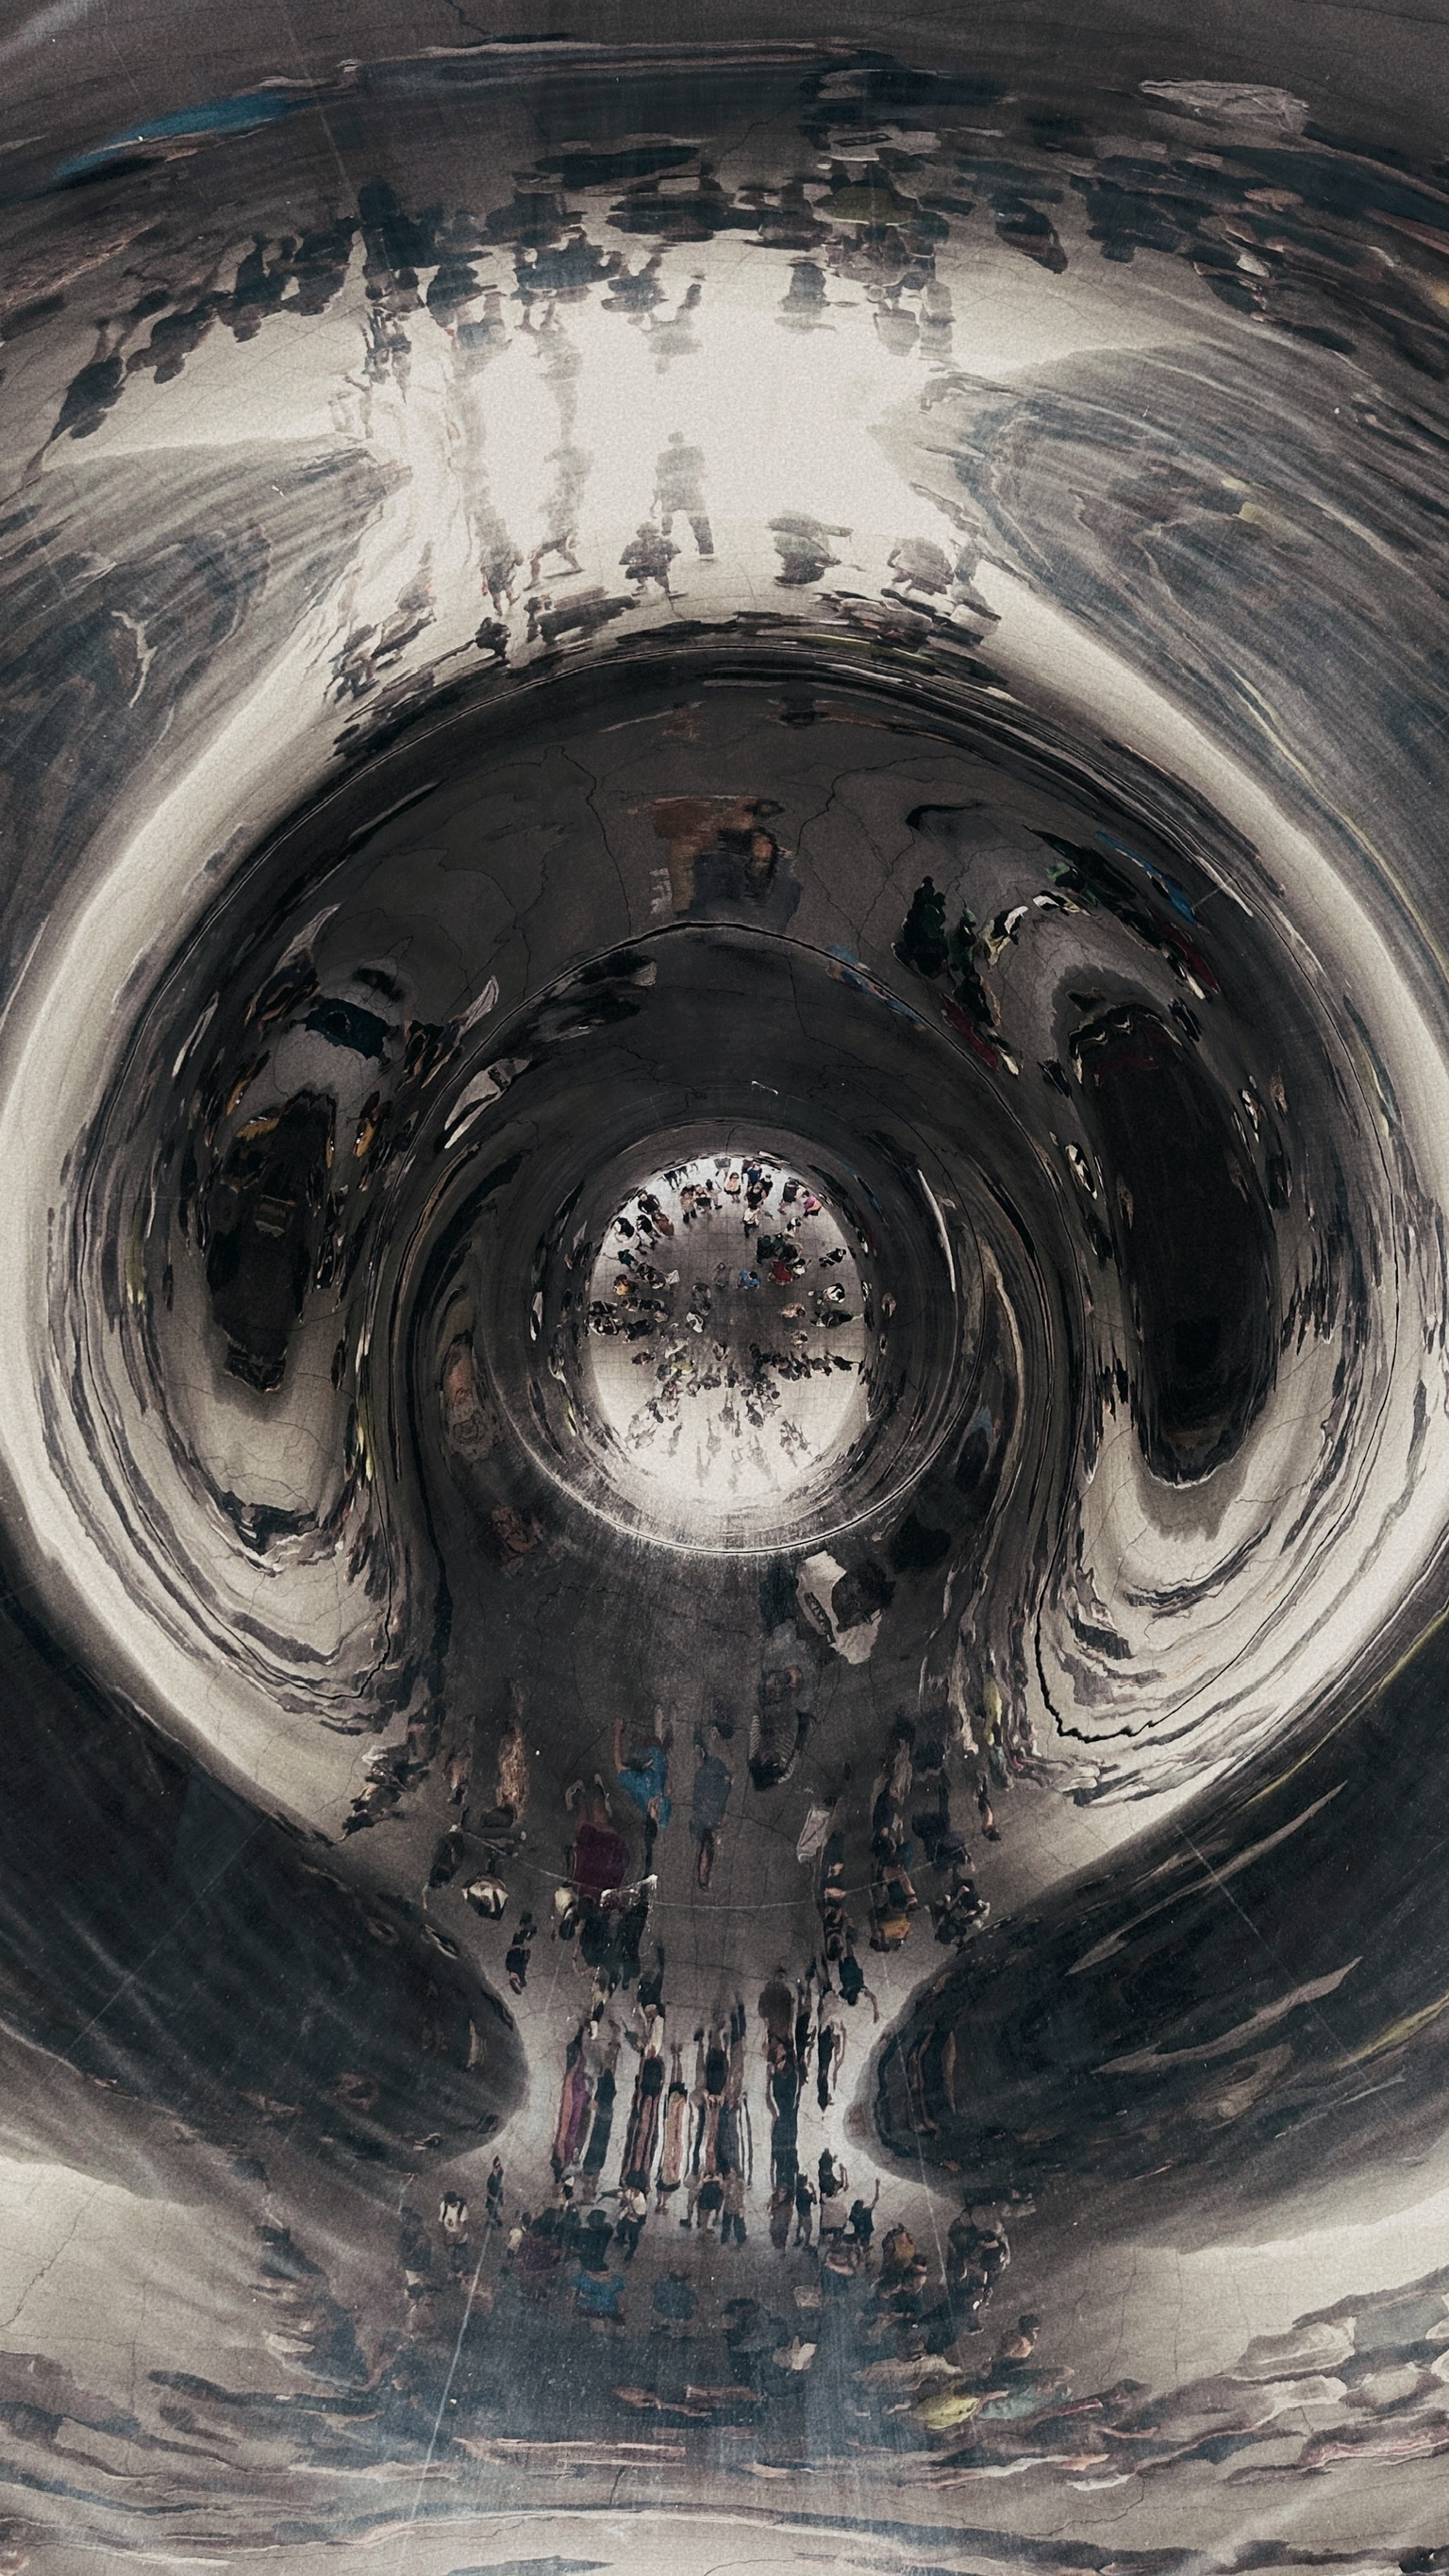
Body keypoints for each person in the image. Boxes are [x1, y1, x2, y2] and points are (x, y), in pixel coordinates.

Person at [793, 2168, 817, 2249]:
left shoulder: (797, 2189)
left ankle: (797, 2238)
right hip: (806, 2213)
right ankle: (806, 2244)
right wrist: (813, 2189)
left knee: (799, 2224)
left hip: (800, 2211)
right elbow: (815, 2202)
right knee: (808, 2230)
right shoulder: (805, 2192)